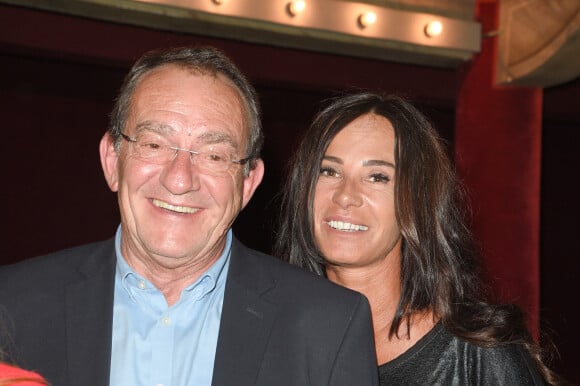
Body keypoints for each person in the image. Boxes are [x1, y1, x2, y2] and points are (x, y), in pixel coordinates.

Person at [0, 47, 379, 386]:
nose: (179, 179)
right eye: (154, 144)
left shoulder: (328, 326)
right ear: (112, 160)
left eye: (214, 156)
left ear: (248, 183)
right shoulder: (12, 306)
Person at [275, 92, 563, 385]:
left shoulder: (477, 354)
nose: (345, 195)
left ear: (416, 202)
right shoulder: (271, 342)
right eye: (329, 171)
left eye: (377, 177)